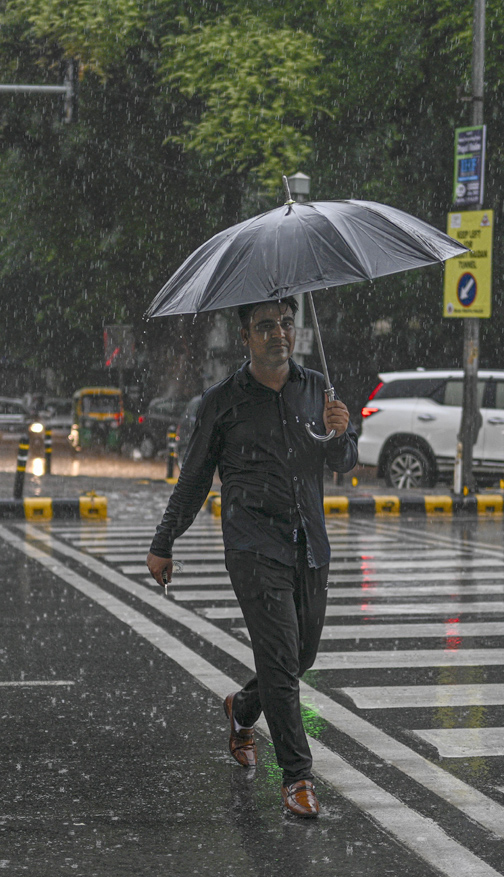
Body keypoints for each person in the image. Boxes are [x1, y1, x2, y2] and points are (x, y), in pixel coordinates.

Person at [145, 298, 357, 819]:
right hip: (252, 546)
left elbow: (344, 462)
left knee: (299, 660)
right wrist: (163, 541)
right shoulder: (221, 402)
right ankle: (297, 778)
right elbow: (194, 478)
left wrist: (340, 432)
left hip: (310, 545)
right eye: (266, 327)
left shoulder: (317, 390)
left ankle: (241, 710)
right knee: (282, 662)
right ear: (245, 337)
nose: (279, 334)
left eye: (286, 324)